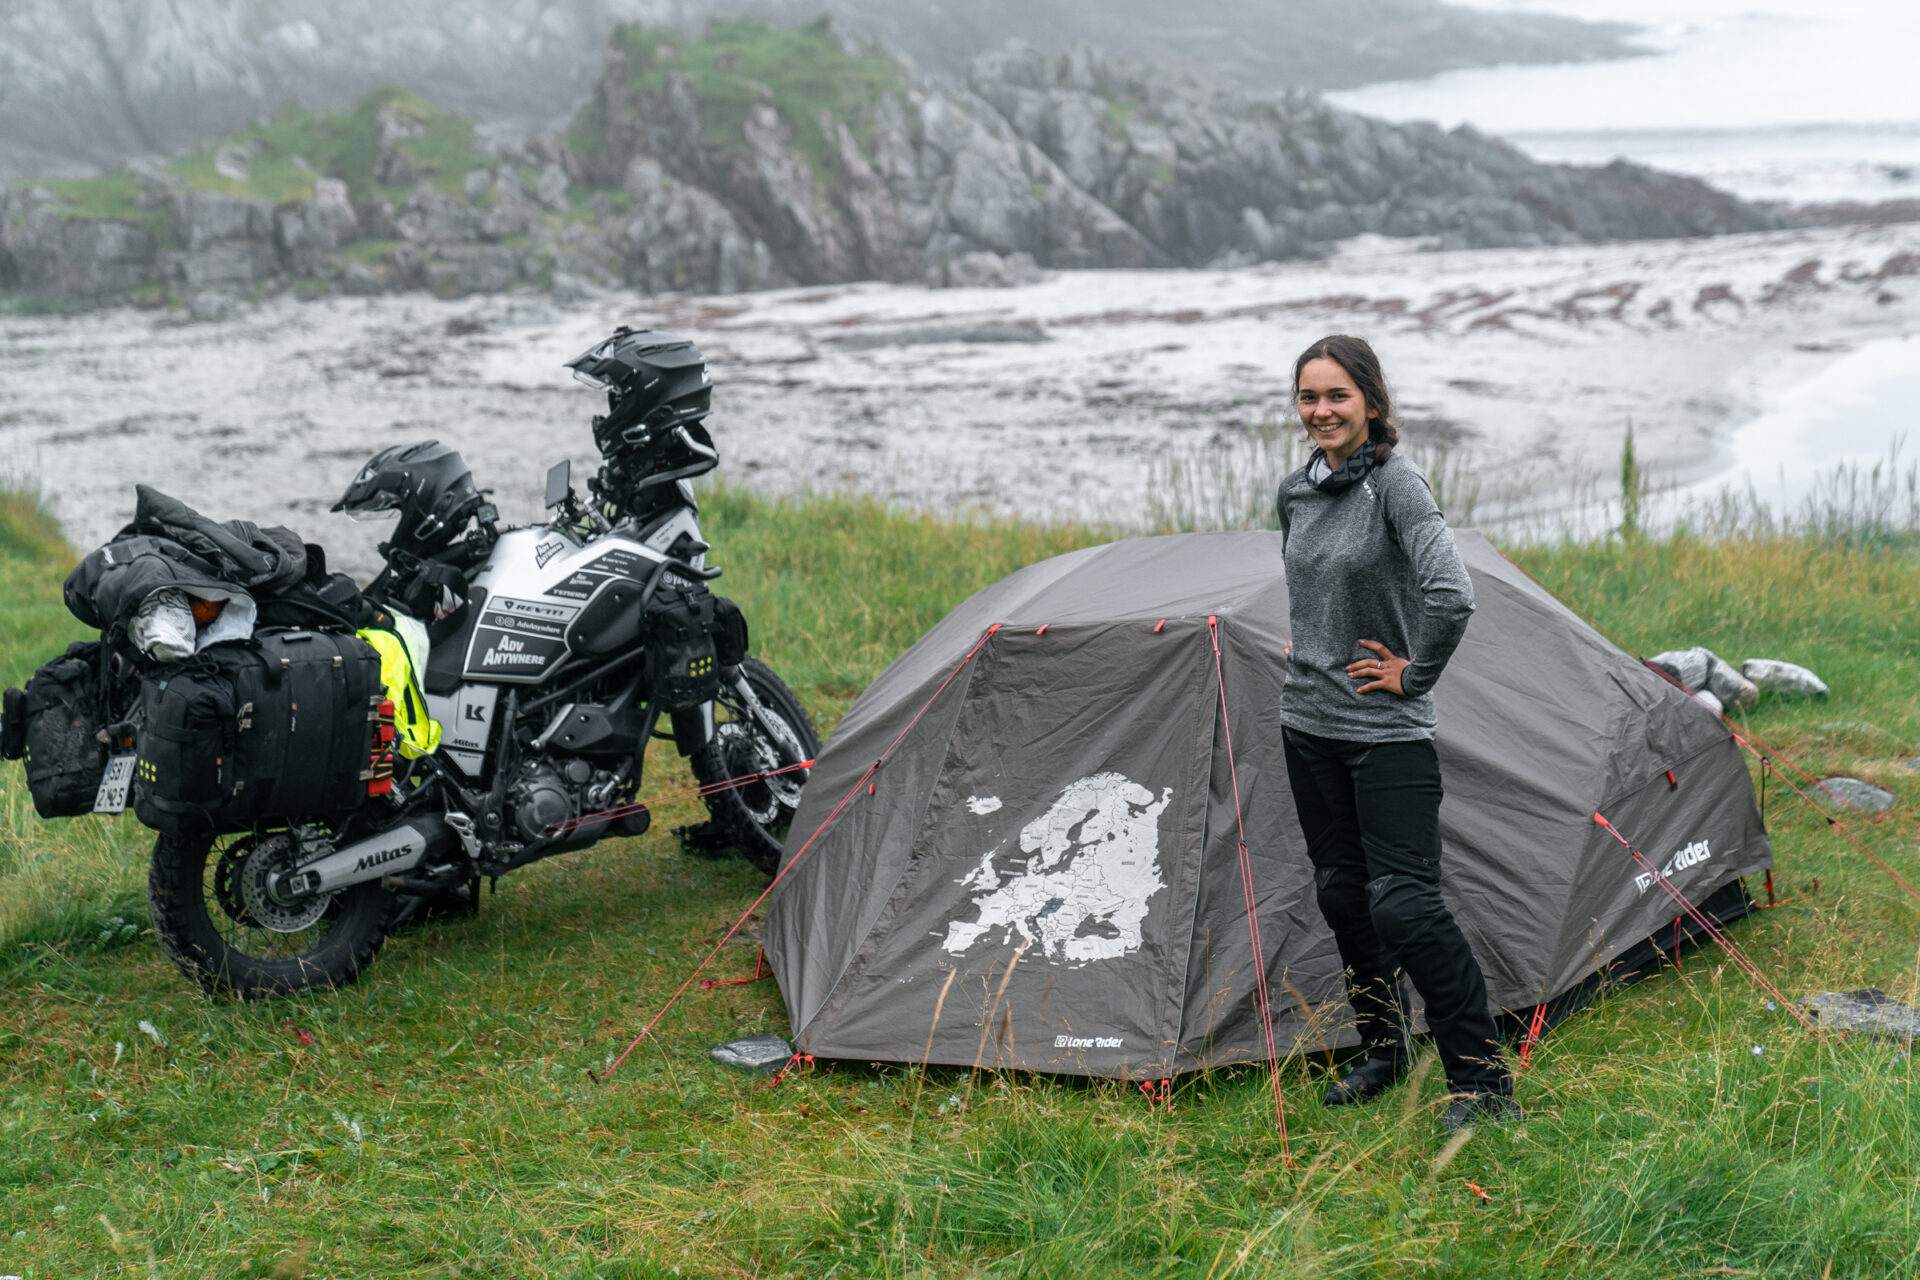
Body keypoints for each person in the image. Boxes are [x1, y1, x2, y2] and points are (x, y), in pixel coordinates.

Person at [1273, 333, 1518, 1131]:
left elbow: (1453, 595)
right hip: (1306, 724)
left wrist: (1413, 674)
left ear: (1372, 403)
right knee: (1343, 895)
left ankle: (1482, 1086)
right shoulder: (1297, 491)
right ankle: (1384, 1050)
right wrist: (1308, 643)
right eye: (1309, 397)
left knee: (1404, 908)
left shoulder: (1398, 485)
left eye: (1337, 395)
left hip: (1386, 732)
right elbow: (1309, 589)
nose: (1321, 411)